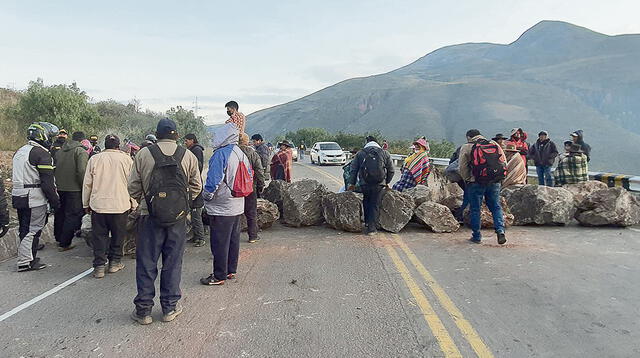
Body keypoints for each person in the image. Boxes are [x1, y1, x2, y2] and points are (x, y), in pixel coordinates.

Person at [128, 118, 202, 325]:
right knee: (172, 262)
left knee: (146, 262)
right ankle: (169, 308)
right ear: (176, 135)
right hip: (177, 219)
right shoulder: (187, 155)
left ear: (157, 134)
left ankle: (143, 311)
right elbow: (196, 186)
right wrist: (181, 204)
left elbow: (133, 186)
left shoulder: (143, 153)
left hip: (149, 217)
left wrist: (146, 202)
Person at [200, 124, 251, 285]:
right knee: (233, 240)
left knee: (220, 242)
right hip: (237, 204)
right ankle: (230, 270)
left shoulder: (221, 154)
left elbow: (213, 182)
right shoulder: (241, 153)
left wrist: (205, 197)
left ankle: (219, 275)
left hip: (221, 207)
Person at [82, 135, 133, 278]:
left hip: (99, 205)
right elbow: (132, 183)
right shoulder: (126, 159)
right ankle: (114, 263)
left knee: (99, 236)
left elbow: (87, 184)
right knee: (118, 235)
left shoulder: (94, 159)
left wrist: (86, 204)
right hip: (120, 205)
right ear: (118, 146)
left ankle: (99, 266)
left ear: (105, 145)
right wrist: (133, 203)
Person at [12, 122, 60, 271]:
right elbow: (47, 182)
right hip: (34, 197)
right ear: (42, 136)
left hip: (18, 195)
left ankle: (28, 256)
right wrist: (55, 201)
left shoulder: (20, 151)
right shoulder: (41, 153)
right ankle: (26, 261)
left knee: (24, 228)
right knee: (33, 229)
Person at [459, 129, 507, 245]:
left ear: (468, 137)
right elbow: (503, 161)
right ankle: (500, 230)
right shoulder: (493, 144)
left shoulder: (466, 147)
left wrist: (468, 180)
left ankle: (476, 236)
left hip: (476, 182)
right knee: (496, 207)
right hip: (494, 181)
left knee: (475, 209)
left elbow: (462, 167)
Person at [348, 136, 394, 235]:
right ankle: (372, 229)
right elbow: (391, 170)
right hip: (379, 184)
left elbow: (353, 170)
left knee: (366, 200)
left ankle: (367, 223)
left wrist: (351, 183)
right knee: (375, 203)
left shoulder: (360, 153)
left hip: (364, 183)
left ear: (367, 142)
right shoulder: (385, 153)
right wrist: (386, 182)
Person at [54, 131, 89, 251]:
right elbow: (82, 171)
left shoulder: (60, 151)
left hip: (60, 187)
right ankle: (65, 243)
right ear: (82, 140)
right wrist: (84, 187)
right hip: (74, 189)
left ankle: (58, 238)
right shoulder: (80, 151)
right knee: (72, 215)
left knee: (60, 213)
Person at [239, 133, 265, 243]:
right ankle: (253, 236)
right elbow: (259, 170)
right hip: (250, 187)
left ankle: (233, 236)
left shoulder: (231, 152)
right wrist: (261, 185)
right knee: (251, 212)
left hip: (234, 188)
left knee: (235, 213)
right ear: (247, 141)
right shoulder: (252, 153)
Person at [184, 133, 206, 247]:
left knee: (196, 214)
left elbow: (198, 167)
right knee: (194, 214)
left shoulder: (196, 150)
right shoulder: (194, 149)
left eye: (187, 140)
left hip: (195, 186)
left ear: (192, 140)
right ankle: (196, 236)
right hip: (194, 185)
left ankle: (200, 238)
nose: (185, 142)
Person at [447, 146, 469, 223]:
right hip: (458, 174)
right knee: (468, 195)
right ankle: (460, 216)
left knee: (467, 195)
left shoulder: (463, 147)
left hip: (455, 174)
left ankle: (460, 215)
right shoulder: (470, 150)